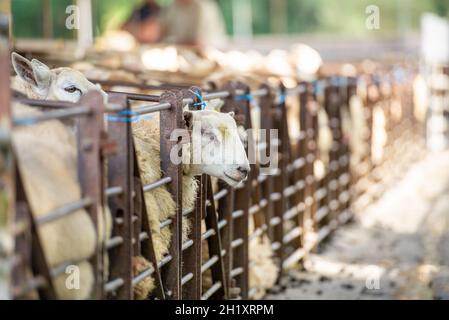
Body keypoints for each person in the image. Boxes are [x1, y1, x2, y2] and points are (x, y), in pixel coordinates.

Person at [159, 0, 228, 48]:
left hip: (209, 54)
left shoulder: (202, 7)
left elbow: (197, 43)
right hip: (183, 53)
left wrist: (171, 43)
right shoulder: (173, 7)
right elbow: (160, 28)